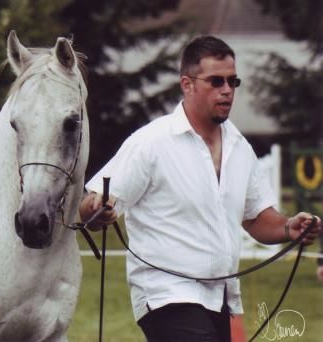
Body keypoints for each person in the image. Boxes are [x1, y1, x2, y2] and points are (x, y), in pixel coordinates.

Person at [80, 35, 321, 342]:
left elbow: (256, 218)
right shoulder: (151, 142)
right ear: (187, 84)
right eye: (216, 81)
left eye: (233, 82)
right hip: (166, 294)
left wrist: (289, 227)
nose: (227, 90)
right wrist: (96, 209)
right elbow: (93, 203)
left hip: (222, 297)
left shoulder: (239, 147)